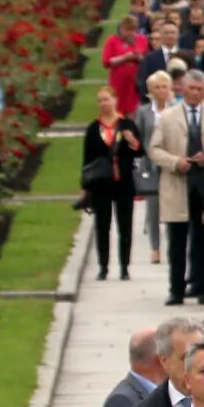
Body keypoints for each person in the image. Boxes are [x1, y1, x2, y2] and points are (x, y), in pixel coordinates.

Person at [150, 70, 204, 307]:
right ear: (182, 89)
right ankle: (176, 290)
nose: (195, 93)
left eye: (199, 89)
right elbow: (154, 149)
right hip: (178, 184)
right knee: (177, 242)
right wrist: (175, 162)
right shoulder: (167, 117)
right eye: (191, 88)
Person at [81, 85, 141, 281]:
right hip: (101, 184)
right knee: (102, 226)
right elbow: (87, 159)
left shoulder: (126, 125)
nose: (104, 104)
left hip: (123, 182)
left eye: (107, 99)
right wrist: (85, 187)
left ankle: (124, 266)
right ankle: (103, 266)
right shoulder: (93, 128)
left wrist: (132, 142)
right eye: (100, 100)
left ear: (115, 100)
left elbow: (140, 152)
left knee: (125, 225)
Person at [135, 70, 174, 268]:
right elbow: (139, 137)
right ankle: (155, 248)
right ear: (151, 90)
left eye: (164, 87)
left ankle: (173, 247)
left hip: (172, 162)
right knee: (153, 206)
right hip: (151, 164)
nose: (161, 90)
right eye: (157, 87)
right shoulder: (143, 111)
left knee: (173, 207)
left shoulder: (176, 108)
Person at [102, 16, 147, 118]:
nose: (130, 33)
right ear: (121, 28)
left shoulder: (141, 39)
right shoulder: (112, 41)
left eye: (133, 30)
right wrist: (125, 57)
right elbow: (107, 62)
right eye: (127, 30)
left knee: (133, 111)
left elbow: (146, 58)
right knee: (117, 111)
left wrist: (138, 56)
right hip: (118, 83)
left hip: (134, 83)